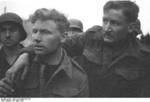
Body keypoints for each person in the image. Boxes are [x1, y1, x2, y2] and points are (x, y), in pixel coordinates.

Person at [4, 1, 150, 97]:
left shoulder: (143, 58)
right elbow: (57, 43)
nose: (107, 28)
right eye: (105, 20)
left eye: (115, 23)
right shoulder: (91, 37)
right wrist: (24, 55)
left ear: (131, 27)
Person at [0, 8, 89, 97]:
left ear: (63, 37)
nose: (37, 38)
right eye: (35, 31)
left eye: (45, 32)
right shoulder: (22, 68)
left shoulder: (78, 77)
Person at [0, 12, 27, 80]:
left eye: (12, 30)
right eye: (3, 30)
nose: (7, 35)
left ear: (21, 32)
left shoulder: (31, 57)